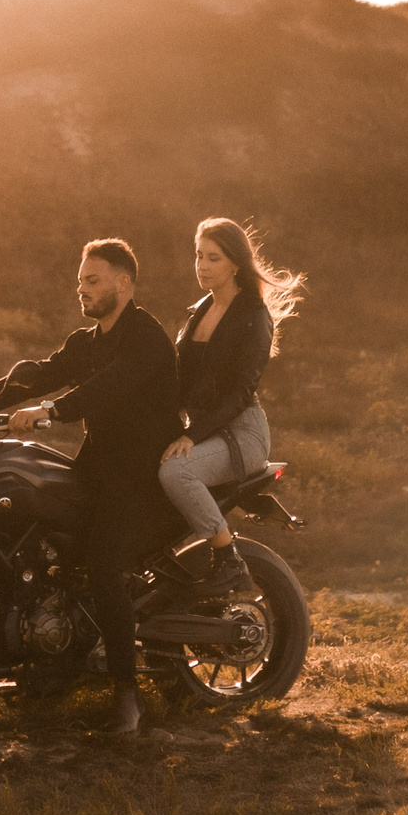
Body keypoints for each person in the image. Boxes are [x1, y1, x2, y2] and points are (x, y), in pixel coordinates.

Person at [0, 237, 180, 734]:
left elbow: (110, 386)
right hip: (97, 469)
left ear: (124, 283)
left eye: (92, 280)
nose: (81, 289)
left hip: (142, 477)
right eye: (80, 280)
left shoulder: (146, 337)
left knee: (103, 567)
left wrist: (52, 411)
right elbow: (42, 373)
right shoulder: (90, 341)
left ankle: (128, 697)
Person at [159, 218, 304, 598]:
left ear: (235, 263)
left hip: (242, 434)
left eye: (214, 258)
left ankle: (229, 560)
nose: (202, 266)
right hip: (205, 428)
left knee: (176, 473)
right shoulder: (199, 310)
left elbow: (241, 392)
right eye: (198, 256)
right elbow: (178, 380)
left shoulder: (253, 316)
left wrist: (192, 433)